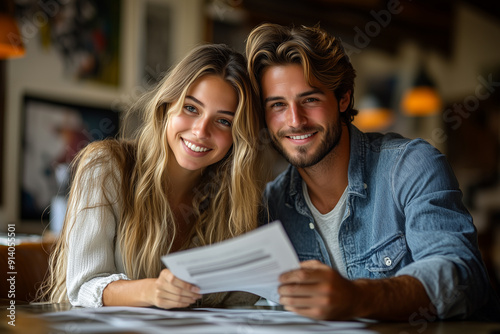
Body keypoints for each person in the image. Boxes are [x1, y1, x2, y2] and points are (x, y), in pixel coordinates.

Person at [246, 23, 500, 321]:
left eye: (310, 100)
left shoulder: (411, 166)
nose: (295, 120)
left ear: (343, 98)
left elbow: (461, 276)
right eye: (277, 105)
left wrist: (357, 297)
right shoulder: (271, 204)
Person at [41, 43, 268, 309]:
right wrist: (151, 291)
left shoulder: (234, 197)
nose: (201, 130)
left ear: (238, 136)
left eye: (224, 121)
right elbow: (83, 286)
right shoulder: (105, 167)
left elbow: (240, 299)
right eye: (191, 108)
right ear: (166, 106)